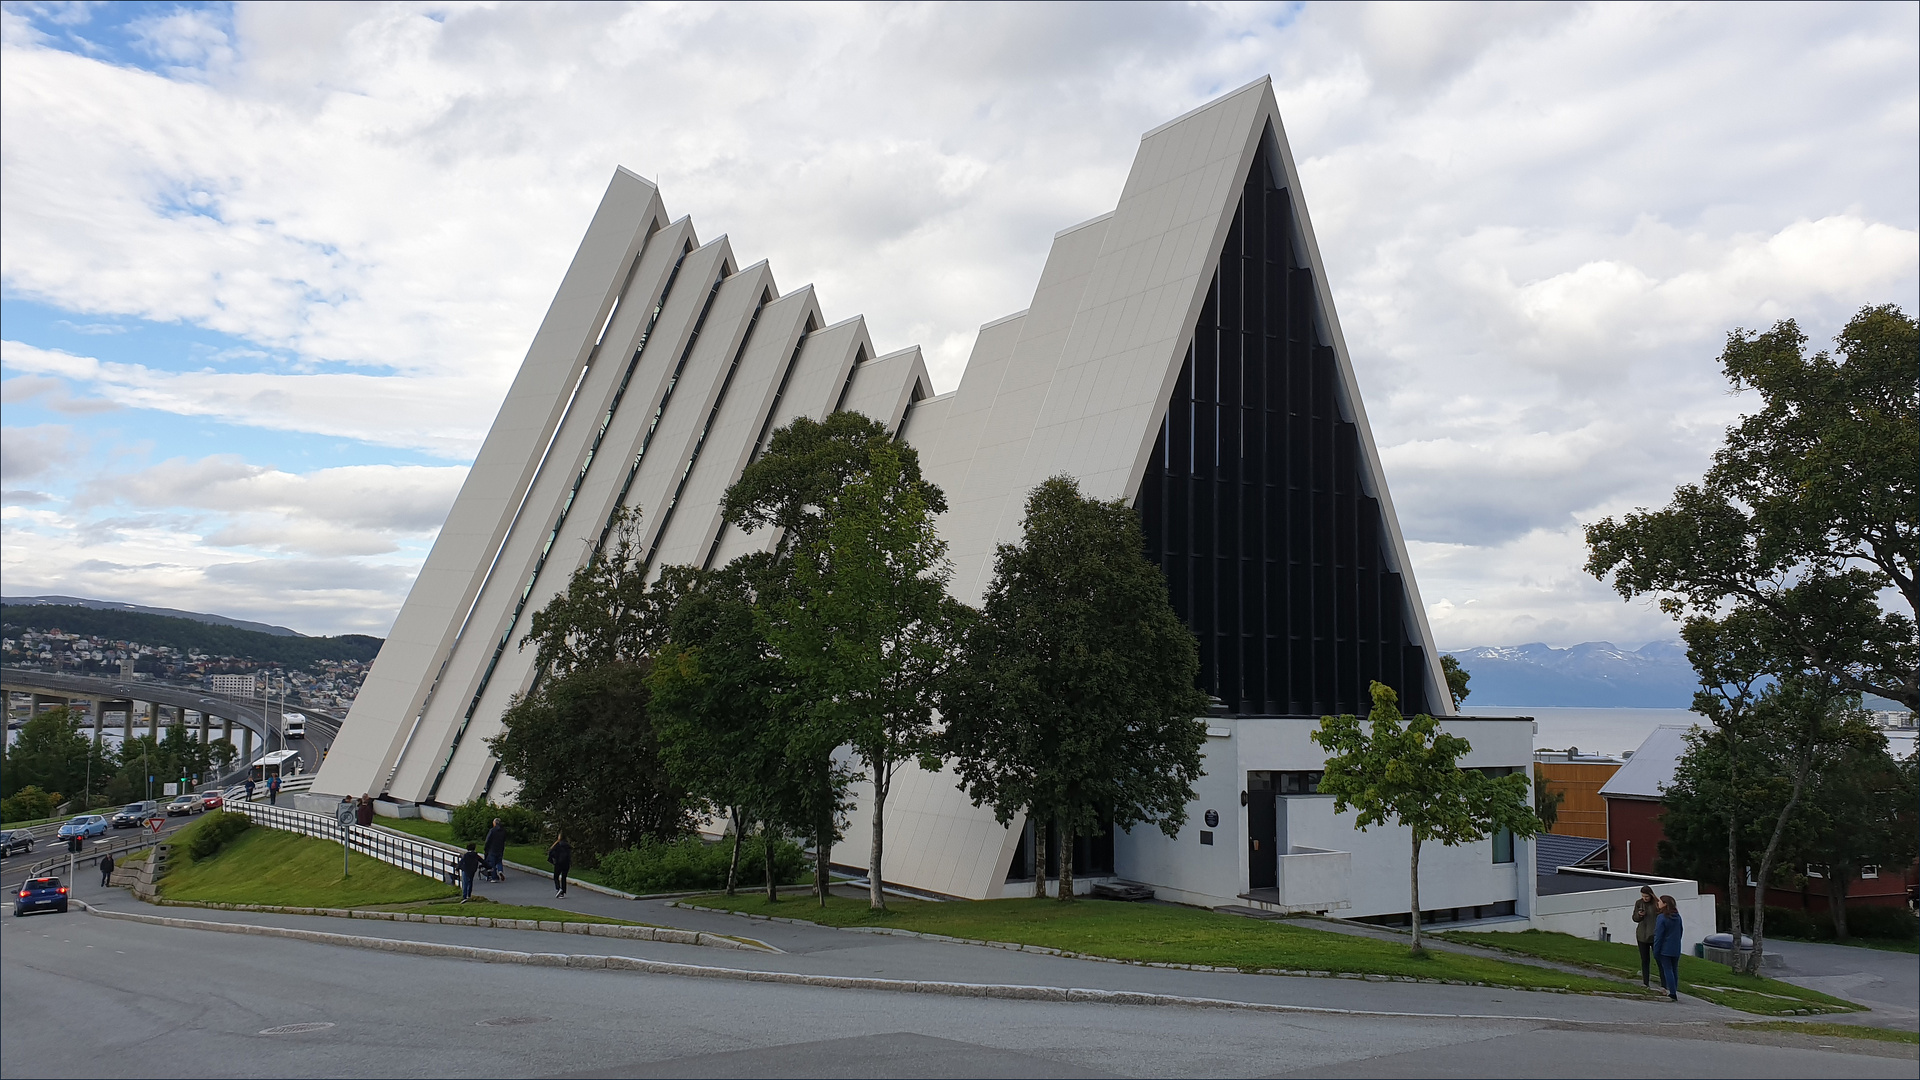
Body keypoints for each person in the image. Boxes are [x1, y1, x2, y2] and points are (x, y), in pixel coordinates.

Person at [1652, 894, 1684, 1001]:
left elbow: (1659, 935)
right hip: (1676, 947)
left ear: (1665, 904)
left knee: (1667, 969)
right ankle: (1674, 989)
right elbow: (1680, 932)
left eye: (1660, 902)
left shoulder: (1661, 918)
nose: (1658, 903)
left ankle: (1672, 992)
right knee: (1674, 969)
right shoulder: (1677, 917)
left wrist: (1656, 950)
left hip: (1665, 948)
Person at [1632, 885, 1658, 987]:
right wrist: (1639, 915)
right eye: (1643, 896)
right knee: (1644, 960)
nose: (1645, 898)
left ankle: (1664, 983)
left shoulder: (1656, 904)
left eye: (1646, 896)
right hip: (1642, 935)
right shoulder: (1639, 903)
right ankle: (1645, 982)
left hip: (1654, 935)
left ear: (1651, 895)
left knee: (1659, 958)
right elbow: (1634, 918)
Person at [547, 832, 572, 898]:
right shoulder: (568, 845)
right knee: (564, 877)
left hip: (559, 863)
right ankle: (563, 892)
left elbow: (551, 852)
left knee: (556, 877)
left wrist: (553, 860)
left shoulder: (557, 845)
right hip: (566, 863)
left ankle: (558, 889)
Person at [483, 818, 507, 883]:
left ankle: (494, 878)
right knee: (499, 861)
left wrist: (485, 848)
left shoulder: (492, 830)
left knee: (492, 864)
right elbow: (504, 839)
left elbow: (488, 840)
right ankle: (500, 870)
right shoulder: (503, 831)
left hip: (492, 849)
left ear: (495, 823)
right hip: (500, 849)